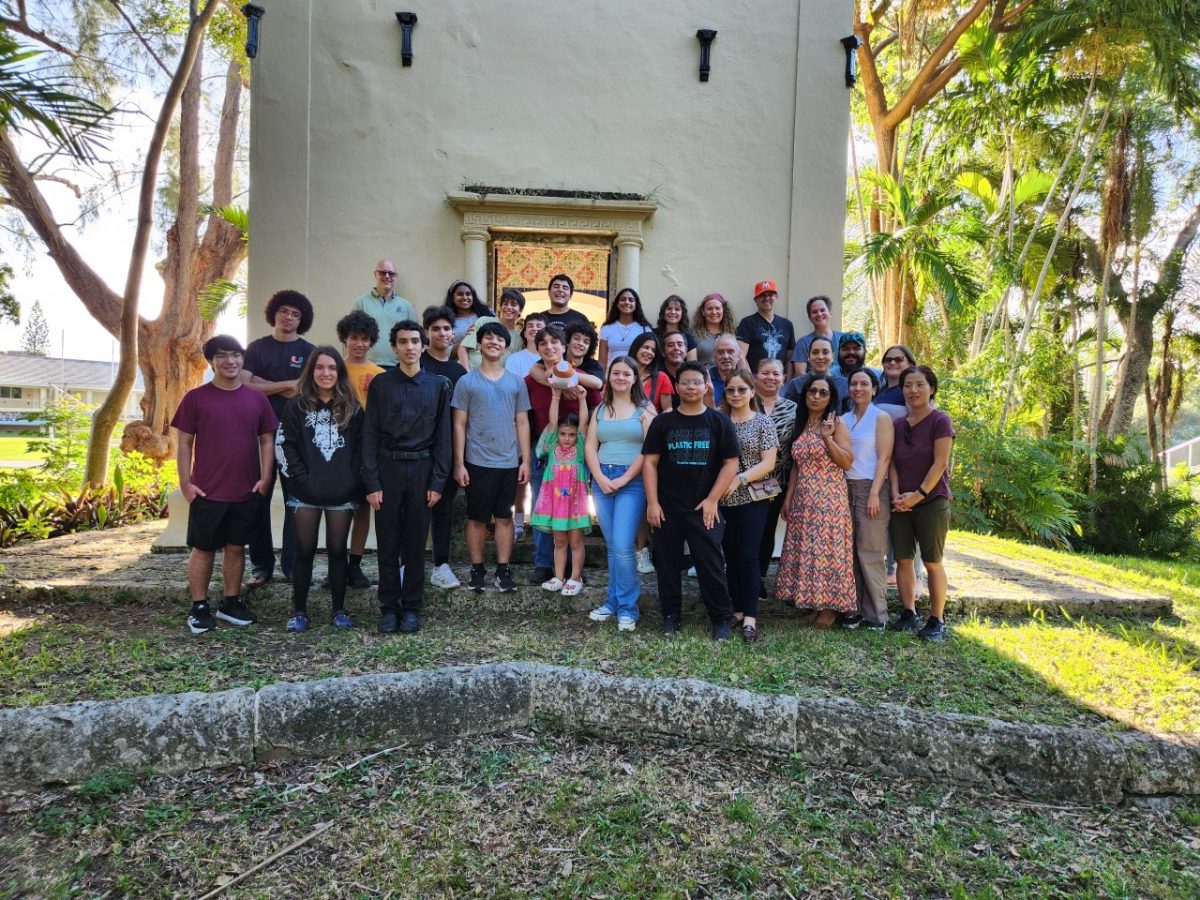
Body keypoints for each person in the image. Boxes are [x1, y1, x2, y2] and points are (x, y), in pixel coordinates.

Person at [172, 335, 277, 635]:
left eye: (235, 355)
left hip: (246, 490)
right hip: (207, 490)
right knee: (203, 549)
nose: (230, 361)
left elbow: (267, 440)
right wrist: (186, 484)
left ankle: (230, 602)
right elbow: (184, 444)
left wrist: (266, 477)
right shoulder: (196, 398)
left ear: (243, 359)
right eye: (222, 356)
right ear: (211, 361)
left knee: (236, 548)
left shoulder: (256, 399)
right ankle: (199, 606)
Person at [362, 320, 452, 635]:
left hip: (422, 469)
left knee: (415, 544)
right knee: (387, 543)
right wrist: (371, 483)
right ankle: (389, 608)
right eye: (403, 341)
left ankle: (411, 608)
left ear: (423, 345)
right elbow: (369, 435)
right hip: (387, 470)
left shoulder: (437, 386)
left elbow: (443, 438)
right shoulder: (381, 385)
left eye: (415, 341)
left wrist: (437, 482)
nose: (410, 347)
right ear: (395, 346)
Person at [642, 360, 740, 640]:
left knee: (710, 565)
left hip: (704, 508)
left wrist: (712, 500)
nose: (691, 387)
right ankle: (670, 616)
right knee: (667, 564)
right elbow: (650, 463)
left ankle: (721, 618)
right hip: (667, 507)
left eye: (697, 382)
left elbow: (731, 463)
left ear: (706, 385)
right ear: (676, 386)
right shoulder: (664, 422)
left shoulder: (718, 421)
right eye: (686, 382)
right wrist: (652, 502)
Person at [277, 346, 364, 632]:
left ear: (339, 372)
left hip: (343, 492)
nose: (325, 373)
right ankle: (299, 611)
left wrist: (352, 481)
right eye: (320, 367)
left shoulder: (351, 406)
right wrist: (300, 481)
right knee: (304, 550)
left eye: (331, 368)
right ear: (311, 371)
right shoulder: (296, 405)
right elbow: (286, 446)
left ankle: (339, 610)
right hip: (304, 493)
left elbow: (361, 450)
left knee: (338, 550)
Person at [241, 289, 316, 588]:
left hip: (295, 436)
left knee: (295, 502)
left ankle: (293, 566)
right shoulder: (257, 348)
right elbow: (244, 385)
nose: (289, 317)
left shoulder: (309, 351)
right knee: (257, 498)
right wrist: (285, 384)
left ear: (302, 319)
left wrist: (264, 384)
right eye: (284, 311)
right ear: (274, 313)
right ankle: (261, 565)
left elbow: (308, 389)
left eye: (296, 314)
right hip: (259, 434)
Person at [452, 322, 532, 593]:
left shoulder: (516, 383)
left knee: (504, 517)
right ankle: (477, 569)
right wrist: (459, 463)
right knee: (476, 518)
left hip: (508, 461)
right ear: (479, 344)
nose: (494, 342)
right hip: (476, 461)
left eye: (499, 339)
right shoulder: (467, 381)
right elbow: (459, 424)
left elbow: (522, 422)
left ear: (506, 347)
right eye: (488, 338)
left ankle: (503, 569)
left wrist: (525, 461)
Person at [774, 373, 857, 628]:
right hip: (803, 498)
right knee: (808, 551)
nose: (817, 396)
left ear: (831, 398)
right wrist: (789, 497)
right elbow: (798, 465)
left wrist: (828, 438)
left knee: (828, 552)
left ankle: (830, 610)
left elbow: (846, 462)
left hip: (829, 498)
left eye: (823, 392)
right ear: (805, 394)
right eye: (813, 391)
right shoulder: (801, 424)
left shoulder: (836, 423)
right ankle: (814, 604)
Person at [585, 356, 655, 632]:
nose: (621, 378)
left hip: (633, 481)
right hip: (603, 480)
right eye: (616, 373)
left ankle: (628, 608)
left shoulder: (645, 409)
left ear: (635, 378)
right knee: (613, 545)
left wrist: (625, 477)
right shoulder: (601, 409)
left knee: (625, 546)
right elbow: (590, 446)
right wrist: (600, 478)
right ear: (609, 376)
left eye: (627, 374)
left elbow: (650, 448)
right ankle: (613, 602)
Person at [889, 365, 955, 642]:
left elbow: (940, 463)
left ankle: (937, 619)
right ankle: (909, 612)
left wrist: (917, 495)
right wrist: (897, 495)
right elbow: (891, 463)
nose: (913, 390)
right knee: (903, 559)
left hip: (931, 500)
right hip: (900, 503)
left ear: (931, 388)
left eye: (919, 385)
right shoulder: (898, 424)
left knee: (932, 561)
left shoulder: (940, 421)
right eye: (907, 385)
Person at [718, 370, 779, 642]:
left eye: (742, 389)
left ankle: (751, 618)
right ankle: (738, 610)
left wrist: (739, 479)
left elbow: (769, 463)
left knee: (748, 555)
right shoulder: (720, 422)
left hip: (753, 497)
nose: (736, 395)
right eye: (731, 390)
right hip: (724, 498)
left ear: (752, 392)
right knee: (729, 554)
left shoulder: (763, 423)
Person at [421, 306, 469, 590]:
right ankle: (409, 564)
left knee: (443, 510)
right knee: (414, 510)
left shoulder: (458, 371)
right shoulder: (418, 363)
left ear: (453, 334)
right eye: (435, 328)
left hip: (448, 450)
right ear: (426, 332)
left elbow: (464, 416)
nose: (441, 333)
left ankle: (441, 564)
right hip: (416, 451)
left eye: (446, 329)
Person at [336, 310, 385, 589]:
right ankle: (337, 563)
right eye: (354, 338)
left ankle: (355, 564)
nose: (359, 343)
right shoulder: (334, 370)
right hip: (338, 449)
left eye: (364, 338)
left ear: (371, 341)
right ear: (345, 339)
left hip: (368, 450)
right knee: (338, 509)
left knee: (363, 510)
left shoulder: (379, 374)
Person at [842, 368, 894, 629]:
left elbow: (884, 458)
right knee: (849, 552)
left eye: (864, 384)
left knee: (870, 550)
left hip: (871, 488)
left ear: (874, 389)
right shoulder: (843, 419)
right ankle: (854, 610)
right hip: (844, 488)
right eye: (854, 383)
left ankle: (877, 615)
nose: (858, 388)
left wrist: (874, 493)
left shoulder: (880, 417)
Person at [531, 385, 591, 596]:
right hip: (555, 503)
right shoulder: (552, 444)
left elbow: (583, 423)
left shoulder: (580, 448)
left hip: (574, 503)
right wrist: (555, 397)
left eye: (571, 434)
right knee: (560, 541)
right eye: (563, 434)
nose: (566, 437)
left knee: (575, 540)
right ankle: (558, 576)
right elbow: (553, 421)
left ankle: (575, 577)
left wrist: (583, 399)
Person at [753, 358, 798, 595]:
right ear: (756, 376)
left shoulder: (793, 409)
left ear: (783, 378)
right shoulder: (745, 402)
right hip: (745, 479)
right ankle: (741, 576)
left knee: (766, 530)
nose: (770, 378)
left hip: (776, 481)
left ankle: (758, 577)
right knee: (746, 529)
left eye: (775, 374)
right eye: (765, 373)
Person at [351, 259, 415, 368]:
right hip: (367, 367)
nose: (387, 276)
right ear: (375, 274)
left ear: (396, 277)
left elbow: (414, 338)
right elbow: (350, 337)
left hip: (399, 368)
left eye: (391, 273)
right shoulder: (360, 303)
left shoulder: (406, 306)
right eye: (382, 272)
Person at [736, 279, 796, 374]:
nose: (767, 298)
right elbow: (740, 356)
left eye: (770, 295)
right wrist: (750, 382)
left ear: (776, 297)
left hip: (779, 382)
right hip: (755, 380)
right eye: (762, 295)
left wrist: (787, 383)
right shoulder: (747, 323)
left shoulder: (787, 324)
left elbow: (790, 359)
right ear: (756, 300)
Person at [460, 288, 524, 370]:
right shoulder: (483, 321)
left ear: (520, 310)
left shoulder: (518, 340)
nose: (509, 307)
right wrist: (467, 374)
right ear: (500, 307)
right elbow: (463, 349)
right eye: (505, 303)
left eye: (513, 304)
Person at [781, 336, 848, 412]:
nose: (820, 357)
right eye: (815, 352)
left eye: (825, 352)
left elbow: (850, 418)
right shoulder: (796, 384)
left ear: (832, 356)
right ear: (808, 356)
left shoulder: (844, 384)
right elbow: (786, 416)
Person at [599, 287, 654, 369]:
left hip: (635, 375)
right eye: (623, 299)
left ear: (636, 305)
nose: (627, 302)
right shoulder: (606, 328)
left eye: (631, 300)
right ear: (617, 304)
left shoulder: (644, 329)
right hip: (612, 374)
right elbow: (602, 361)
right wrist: (602, 379)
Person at [791, 295, 842, 378]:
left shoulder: (843, 339)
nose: (819, 314)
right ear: (810, 318)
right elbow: (800, 375)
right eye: (814, 312)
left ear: (830, 313)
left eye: (822, 310)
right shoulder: (803, 343)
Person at [629, 331, 675, 414]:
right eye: (646, 347)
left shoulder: (661, 378)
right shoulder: (621, 374)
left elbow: (667, 412)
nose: (649, 352)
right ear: (636, 348)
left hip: (651, 425)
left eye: (653, 350)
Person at [445, 280, 494, 352]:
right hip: (459, 361)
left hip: (486, 359)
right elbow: (446, 353)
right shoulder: (447, 319)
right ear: (452, 298)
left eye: (468, 294)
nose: (465, 297)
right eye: (460, 294)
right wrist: (467, 339)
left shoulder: (486, 312)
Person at [692, 292, 736, 369]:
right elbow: (692, 364)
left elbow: (740, 358)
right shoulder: (693, 334)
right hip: (705, 378)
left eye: (717, 308)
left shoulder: (733, 332)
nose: (714, 312)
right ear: (703, 312)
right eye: (709, 309)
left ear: (723, 310)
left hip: (730, 378)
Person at [875, 344, 916, 418]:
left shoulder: (912, 391)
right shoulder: (877, 391)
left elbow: (922, 421)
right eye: (888, 360)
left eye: (899, 359)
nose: (892, 363)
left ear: (910, 364)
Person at [504, 312, 547, 380]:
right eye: (530, 326)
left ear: (546, 333)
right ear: (525, 334)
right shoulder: (514, 360)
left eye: (539, 326)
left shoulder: (553, 358)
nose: (535, 329)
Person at [707, 334, 745, 406]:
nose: (726, 356)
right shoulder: (706, 378)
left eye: (730, 352)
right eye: (721, 352)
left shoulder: (746, 379)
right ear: (714, 356)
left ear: (738, 355)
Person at [661, 330, 689, 405]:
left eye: (680, 345)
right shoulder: (657, 376)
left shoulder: (693, 373)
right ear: (663, 352)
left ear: (686, 351)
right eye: (670, 345)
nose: (676, 348)